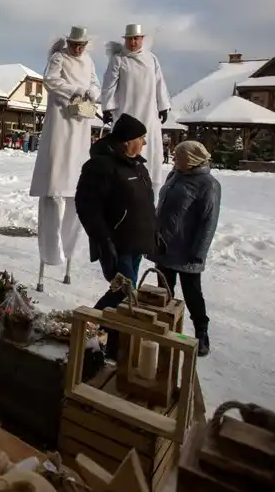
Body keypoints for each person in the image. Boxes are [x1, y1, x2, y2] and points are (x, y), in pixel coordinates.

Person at [75, 113, 156, 358]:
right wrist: (103, 239)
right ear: (126, 141)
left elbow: (145, 203)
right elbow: (86, 207)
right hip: (117, 243)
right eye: (140, 138)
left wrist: (155, 231)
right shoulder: (100, 166)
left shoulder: (138, 166)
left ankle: (110, 342)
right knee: (123, 292)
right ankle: (85, 329)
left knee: (125, 295)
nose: (144, 143)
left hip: (136, 243)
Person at [29, 25, 101, 291]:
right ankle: (49, 252)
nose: (78, 49)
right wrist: (73, 91)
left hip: (81, 122)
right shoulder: (59, 58)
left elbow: (95, 82)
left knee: (75, 187)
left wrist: (91, 93)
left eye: (81, 45)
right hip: (61, 120)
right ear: (69, 43)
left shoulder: (89, 61)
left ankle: (69, 249)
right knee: (55, 185)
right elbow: (51, 81)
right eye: (74, 44)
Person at [149, 140, 220, 357]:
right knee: (163, 292)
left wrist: (198, 253)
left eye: (178, 155)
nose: (173, 157)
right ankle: (165, 330)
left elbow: (209, 221)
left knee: (193, 294)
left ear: (191, 159)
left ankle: (202, 333)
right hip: (164, 245)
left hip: (188, 250)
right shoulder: (175, 175)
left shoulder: (208, 184)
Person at [102, 23, 171, 194]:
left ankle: (149, 187)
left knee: (149, 148)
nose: (133, 42)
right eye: (130, 39)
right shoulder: (119, 59)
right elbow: (109, 85)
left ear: (142, 39)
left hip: (149, 112)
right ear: (125, 40)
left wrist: (163, 105)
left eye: (136, 38)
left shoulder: (151, 58)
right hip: (127, 110)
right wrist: (107, 108)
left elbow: (159, 82)